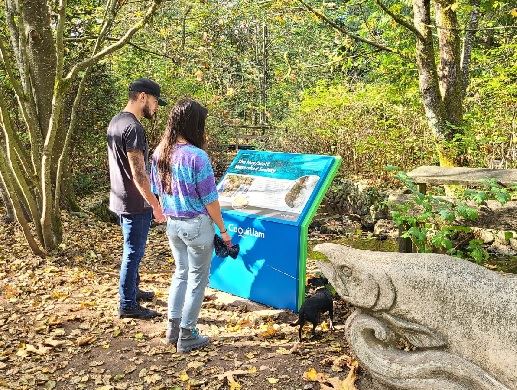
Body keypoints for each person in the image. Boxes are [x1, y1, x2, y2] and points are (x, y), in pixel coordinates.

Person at [150, 98, 231, 353]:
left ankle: (172, 330)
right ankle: (188, 334)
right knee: (197, 280)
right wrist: (224, 231)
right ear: (194, 124)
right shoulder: (197, 157)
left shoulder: (160, 152)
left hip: (173, 225)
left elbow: (157, 191)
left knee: (180, 274)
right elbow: (210, 200)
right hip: (197, 226)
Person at [107, 78, 168, 319]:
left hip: (120, 198)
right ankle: (128, 304)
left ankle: (132, 290)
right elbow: (139, 174)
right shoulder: (133, 128)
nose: (155, 107)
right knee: (133, 252)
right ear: (143, 97)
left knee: (132, 250)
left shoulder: (116, 121)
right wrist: (155, 205)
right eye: (154, 102)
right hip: (134, 202)